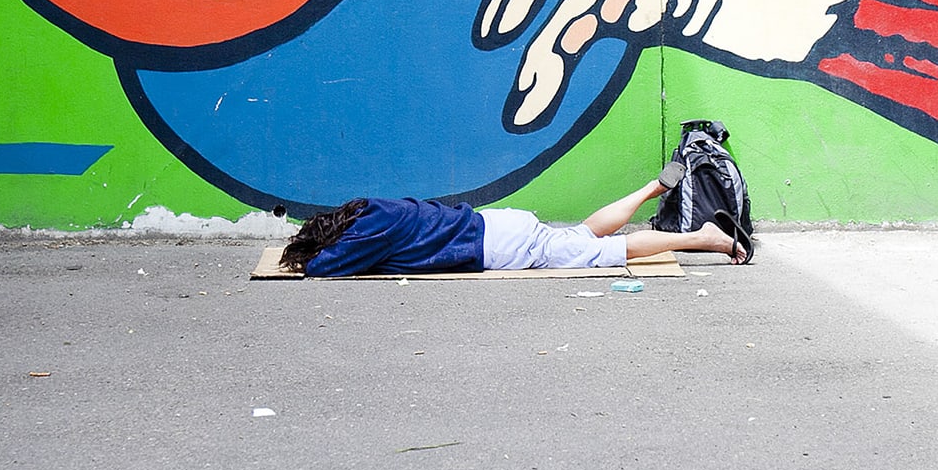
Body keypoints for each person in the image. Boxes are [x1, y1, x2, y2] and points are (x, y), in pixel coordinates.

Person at [280, 172, 749, 277]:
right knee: (583, 236)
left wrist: (306, 256)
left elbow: (324, 268)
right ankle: (651, 188)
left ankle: (703, 238)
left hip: (499, 248)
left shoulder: (367, 232)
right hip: (498, 226)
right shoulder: (372, 209)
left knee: (609, 251)